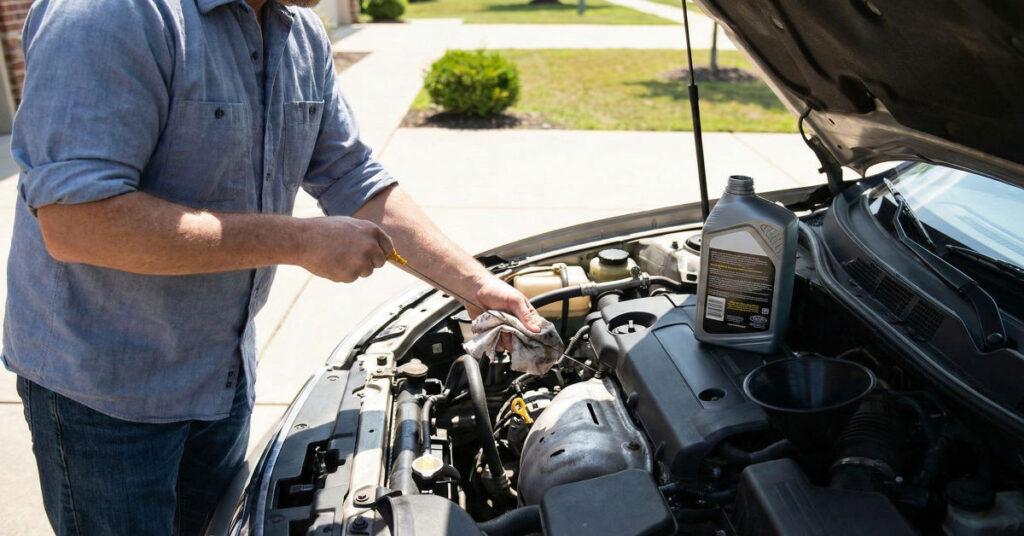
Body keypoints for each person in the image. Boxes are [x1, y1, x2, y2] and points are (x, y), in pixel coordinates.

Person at [2, 0, 542, 534]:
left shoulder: (297, 29)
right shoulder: (113, 14)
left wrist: (476, 286)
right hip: (105, 394)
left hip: (222, 372)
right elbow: (77, 222)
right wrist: (299, 240)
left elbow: (350, 173)